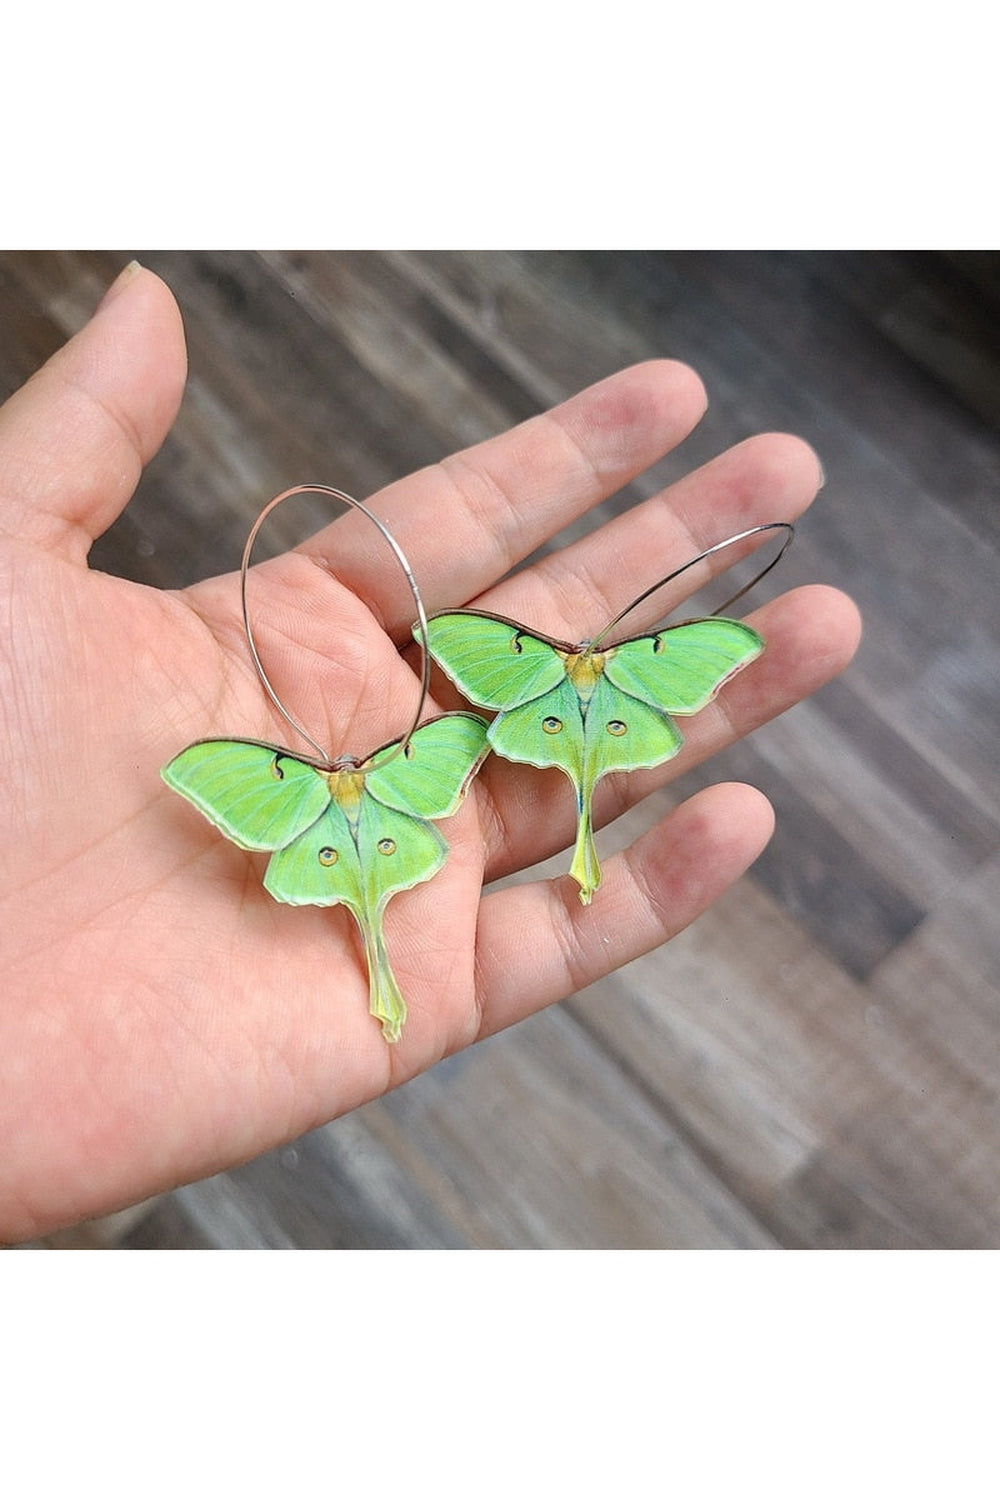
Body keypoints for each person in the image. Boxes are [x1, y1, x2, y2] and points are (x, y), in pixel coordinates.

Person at [0, 262, 860, 1243]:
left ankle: (389, 968)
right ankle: (390, 966)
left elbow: (450, 732)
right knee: (399, 880)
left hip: (433, 767)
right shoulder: (406, 737)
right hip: (443, 775)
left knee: (477, 828)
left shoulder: (425, 737)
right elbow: (400, 730)